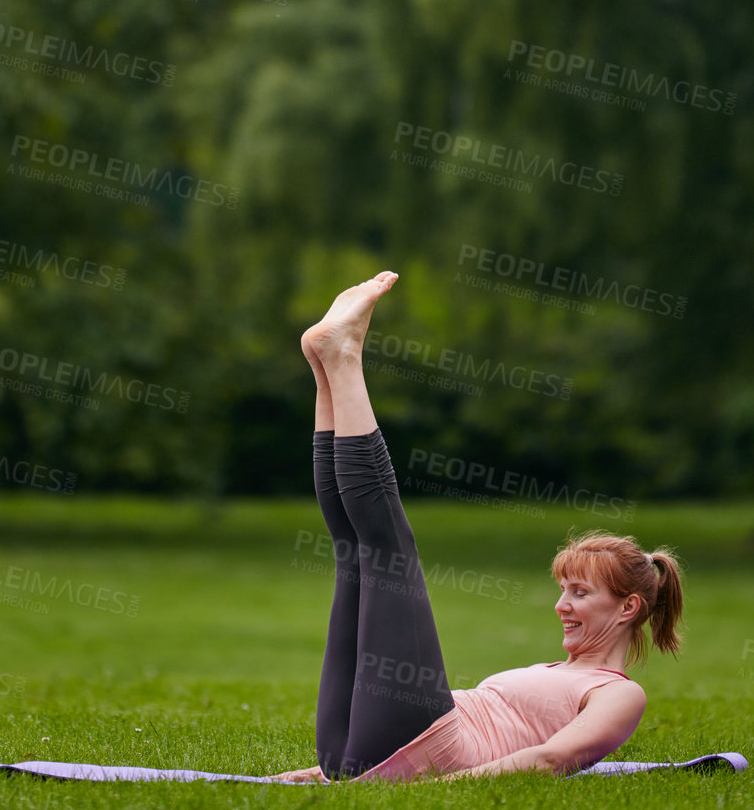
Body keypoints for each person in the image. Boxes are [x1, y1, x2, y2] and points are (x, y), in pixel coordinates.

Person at [272, 271, 684, 783]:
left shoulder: (619, 693)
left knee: (388, 550)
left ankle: (344, 359)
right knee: (353, 554)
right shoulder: (552, 673)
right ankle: (326, 367)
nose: (562, 605)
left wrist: (440, 786)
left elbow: (550, 760)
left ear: (628, 607)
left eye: (580, 592)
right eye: (564, 590)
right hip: (359, 751)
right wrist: (310, 776)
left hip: (435, 749)